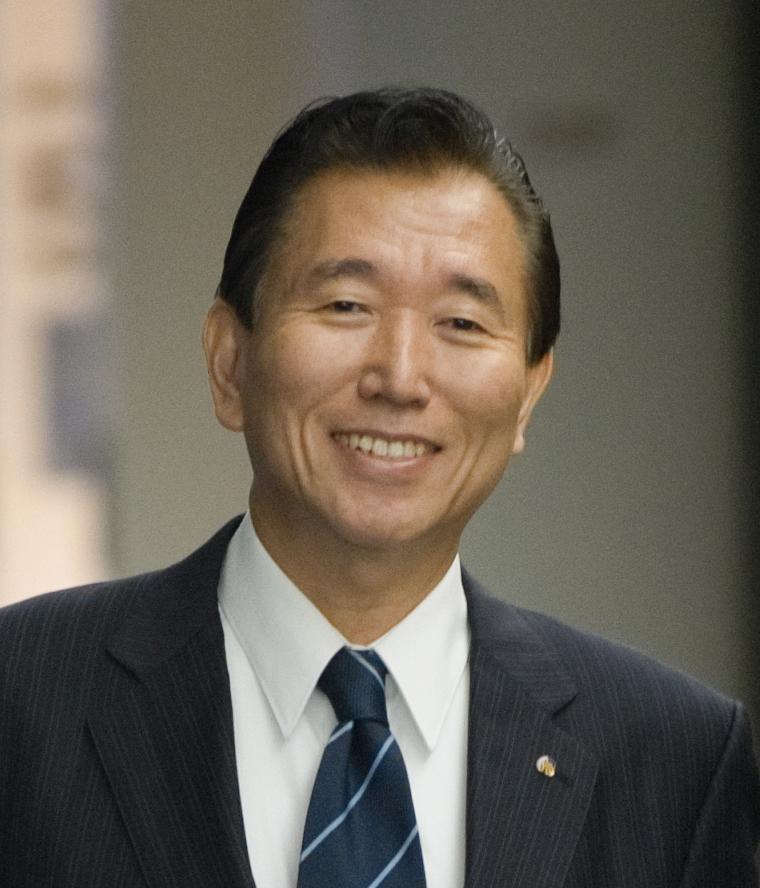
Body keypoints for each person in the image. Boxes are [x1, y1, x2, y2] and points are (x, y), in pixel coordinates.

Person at [0, 87, 758, 888]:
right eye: (346, 305)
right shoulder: (22, 700)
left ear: (529, 395)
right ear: (229, 362)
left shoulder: (674, 760)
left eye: (461, 322)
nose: (400, 377)